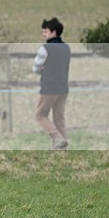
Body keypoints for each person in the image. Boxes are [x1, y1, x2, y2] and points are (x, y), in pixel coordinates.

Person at [33, 17, 71, 150]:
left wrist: (44, 70)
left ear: (53, 32)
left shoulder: (45, 48)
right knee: (59, 118)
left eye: (46, 31)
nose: (44, 34)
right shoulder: (66, 48)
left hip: (49, 87)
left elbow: (36, 67)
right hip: (63, 87)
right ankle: (62, 149)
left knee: (40, 114)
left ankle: (57, 138)